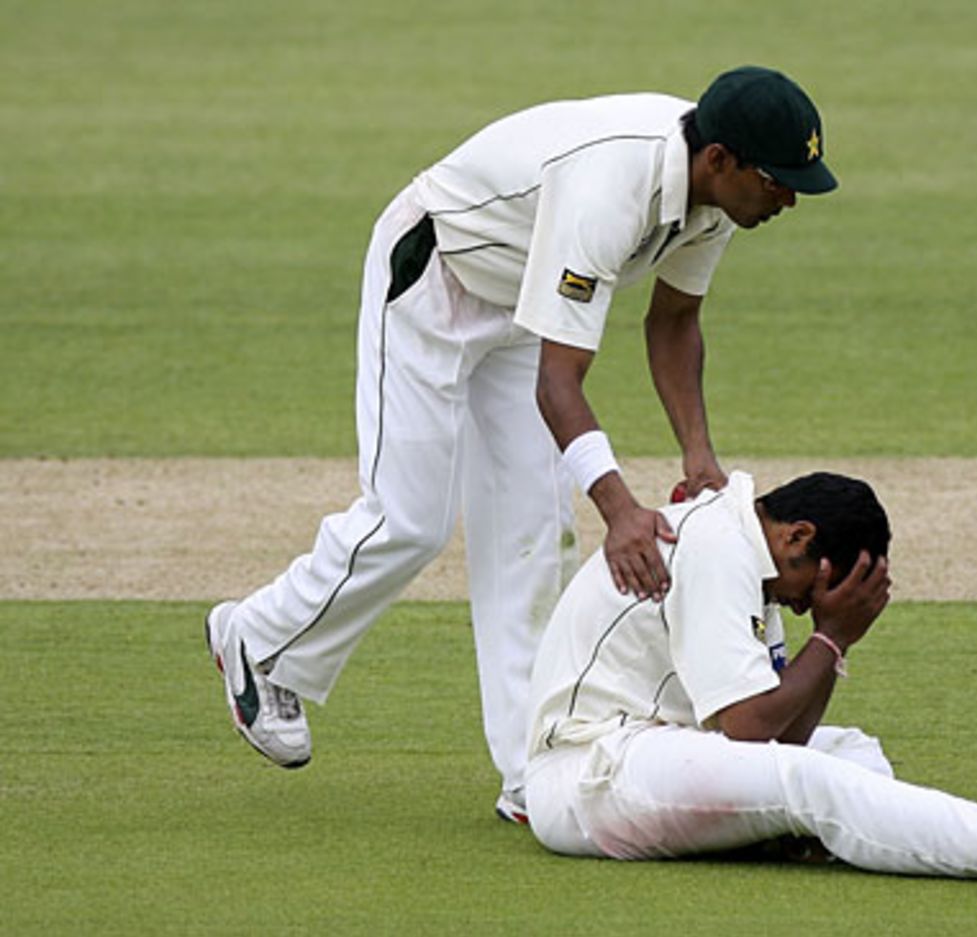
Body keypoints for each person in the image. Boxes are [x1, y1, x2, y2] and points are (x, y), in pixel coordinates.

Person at [203, 66, 839, 822]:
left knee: (535, 538)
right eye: (778, 181)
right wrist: (619, 508)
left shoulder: (718, 200)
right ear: (721, 159)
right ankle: (258, 637)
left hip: (523, 306)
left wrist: (698, 456)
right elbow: (558, 386)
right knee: (409, 520)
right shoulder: (610, 187)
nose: (788, 200)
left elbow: (673, 323)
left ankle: (531, 768)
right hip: (436, 275)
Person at [524, 471, 977, 891]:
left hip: (653, 753)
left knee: (853, 752)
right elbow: (750, 729)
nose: (804, 606)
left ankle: (780, 838)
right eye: (820, 585)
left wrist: (832, 643)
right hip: (585, 775)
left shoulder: (755, 558)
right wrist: (832, 636)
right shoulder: (718, 546)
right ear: (799, 536)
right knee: (810, 779)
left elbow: (782, 735)